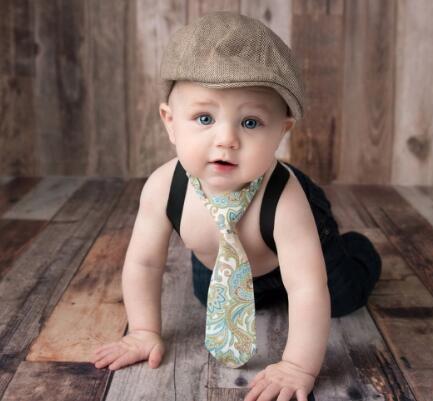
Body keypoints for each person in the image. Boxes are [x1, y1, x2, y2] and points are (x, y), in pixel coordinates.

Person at [90, 11, 381, 401]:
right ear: (170, 122)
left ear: (281, 131)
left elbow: (307, 287)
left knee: (341, 298)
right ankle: (259, 288)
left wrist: (298, 365)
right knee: (207, 296)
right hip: (224, 260)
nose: (226, 139)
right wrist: (143, 331)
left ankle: (356, 249)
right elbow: (143, 263)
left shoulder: (286, 198)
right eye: (204, 117)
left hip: (297, 247)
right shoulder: (164, 187)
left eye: (250, 123)